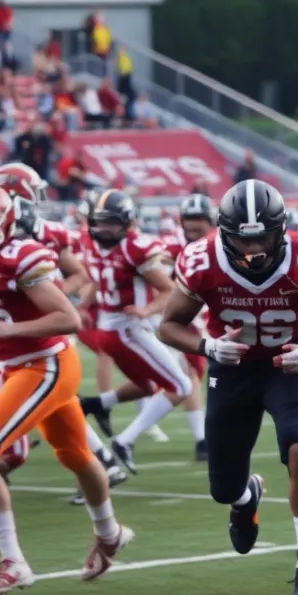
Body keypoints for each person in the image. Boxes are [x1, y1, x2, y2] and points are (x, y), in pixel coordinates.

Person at [0, 183, 133, 595]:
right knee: (76, 455)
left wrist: (4, 328)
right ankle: (108, 533)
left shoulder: (18, 257)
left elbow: (69, 319)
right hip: (15, 368)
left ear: (3, 222)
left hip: (49, 364)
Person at [158, 180, 298, 595]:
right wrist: (207, 346)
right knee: (222, 487)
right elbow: (168, 325)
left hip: (288, 366)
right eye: (242, 239)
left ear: (280, 230)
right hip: (231, 371)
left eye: (262, 237)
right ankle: (246, 496)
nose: (252, 249)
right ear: (224, 233)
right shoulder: (201, 259)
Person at [77, 190, 193, 475]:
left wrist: (85, 304)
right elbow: (170, 290)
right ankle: (124, 441)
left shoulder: (118, 248)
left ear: (127, 222)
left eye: (111, 223)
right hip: (127, 331)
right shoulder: (130, 248)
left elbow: (98, 279)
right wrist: (148, 310)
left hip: (113, 330)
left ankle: (96, 403)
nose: (104, 229)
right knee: (181, 386)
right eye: (100, 222)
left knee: (148, 386)